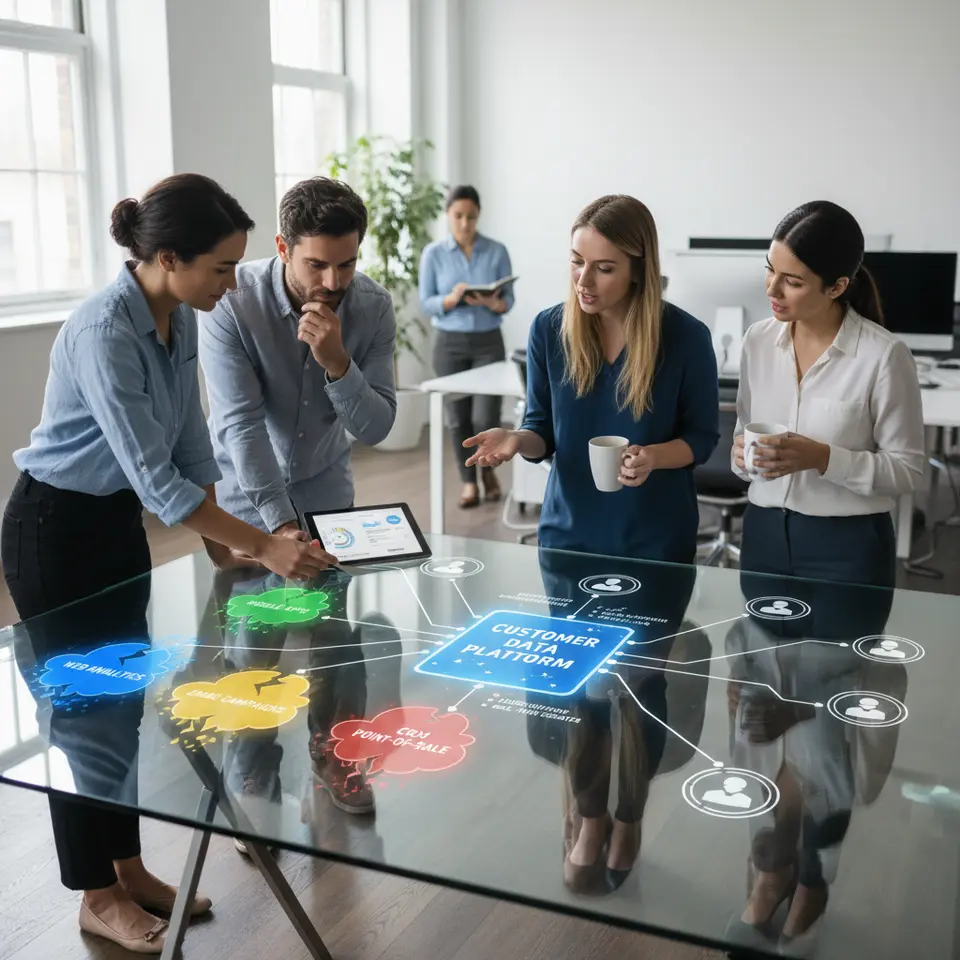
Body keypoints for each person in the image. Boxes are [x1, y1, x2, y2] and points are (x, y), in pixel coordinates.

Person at [0, 174, 335, 954]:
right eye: (221, 268)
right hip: (53, 530)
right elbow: (157, 478)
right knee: (84, 717)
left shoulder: (179, 318)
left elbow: (190, 448)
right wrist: (265, 544)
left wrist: (228, 547)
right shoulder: (103, 331)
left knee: (121, 707)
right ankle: (95, 894)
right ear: (167, 257)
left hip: (113, 526)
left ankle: (127, 863)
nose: (232, 281)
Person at [464, 194, 720, 563]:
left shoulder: (686, 337)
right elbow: (543, 433)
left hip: (655, 537)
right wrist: (517, 439)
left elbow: (701, 438)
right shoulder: (549, 330)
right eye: (576, 261)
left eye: (604, 268)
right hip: (567, 534)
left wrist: (652, 457)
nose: (583, 280)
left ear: (637, 269)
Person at [733, 200, 925, 588]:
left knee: (842, 650)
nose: (772, 289)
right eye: (770, 270)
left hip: (848, 546)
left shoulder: (883, 356)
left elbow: (908, 471)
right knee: (756, 648)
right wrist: (741, 455)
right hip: (763, 535)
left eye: (793, 281)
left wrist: (823, 458)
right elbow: (743, 432)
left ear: (836, 286)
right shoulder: (758, 340)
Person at [199, 177, 396, 533]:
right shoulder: (230, 303)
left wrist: (338, 364)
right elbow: (241, 425)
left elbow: (376, 429)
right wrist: (283, 526)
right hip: (246, 507)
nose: (334, 283)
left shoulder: (375, 307)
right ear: (283, 248)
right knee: (245, 592)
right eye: (317, 265)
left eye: (347, 264)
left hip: (330, 500)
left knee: (333, 591)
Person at [419, 185, 515, 508]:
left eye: (471, 217)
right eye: (458, 216)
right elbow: (427, 302)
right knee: (457, 419)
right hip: (450, 344)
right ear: (448, 215)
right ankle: (468, 482)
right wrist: (451, 298)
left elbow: (509, 301)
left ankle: (487, 471)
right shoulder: (433, 254)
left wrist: (492, 302)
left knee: (485, 417)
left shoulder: (497, 251)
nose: (464, 223)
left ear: (479, 216)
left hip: (489, 342)